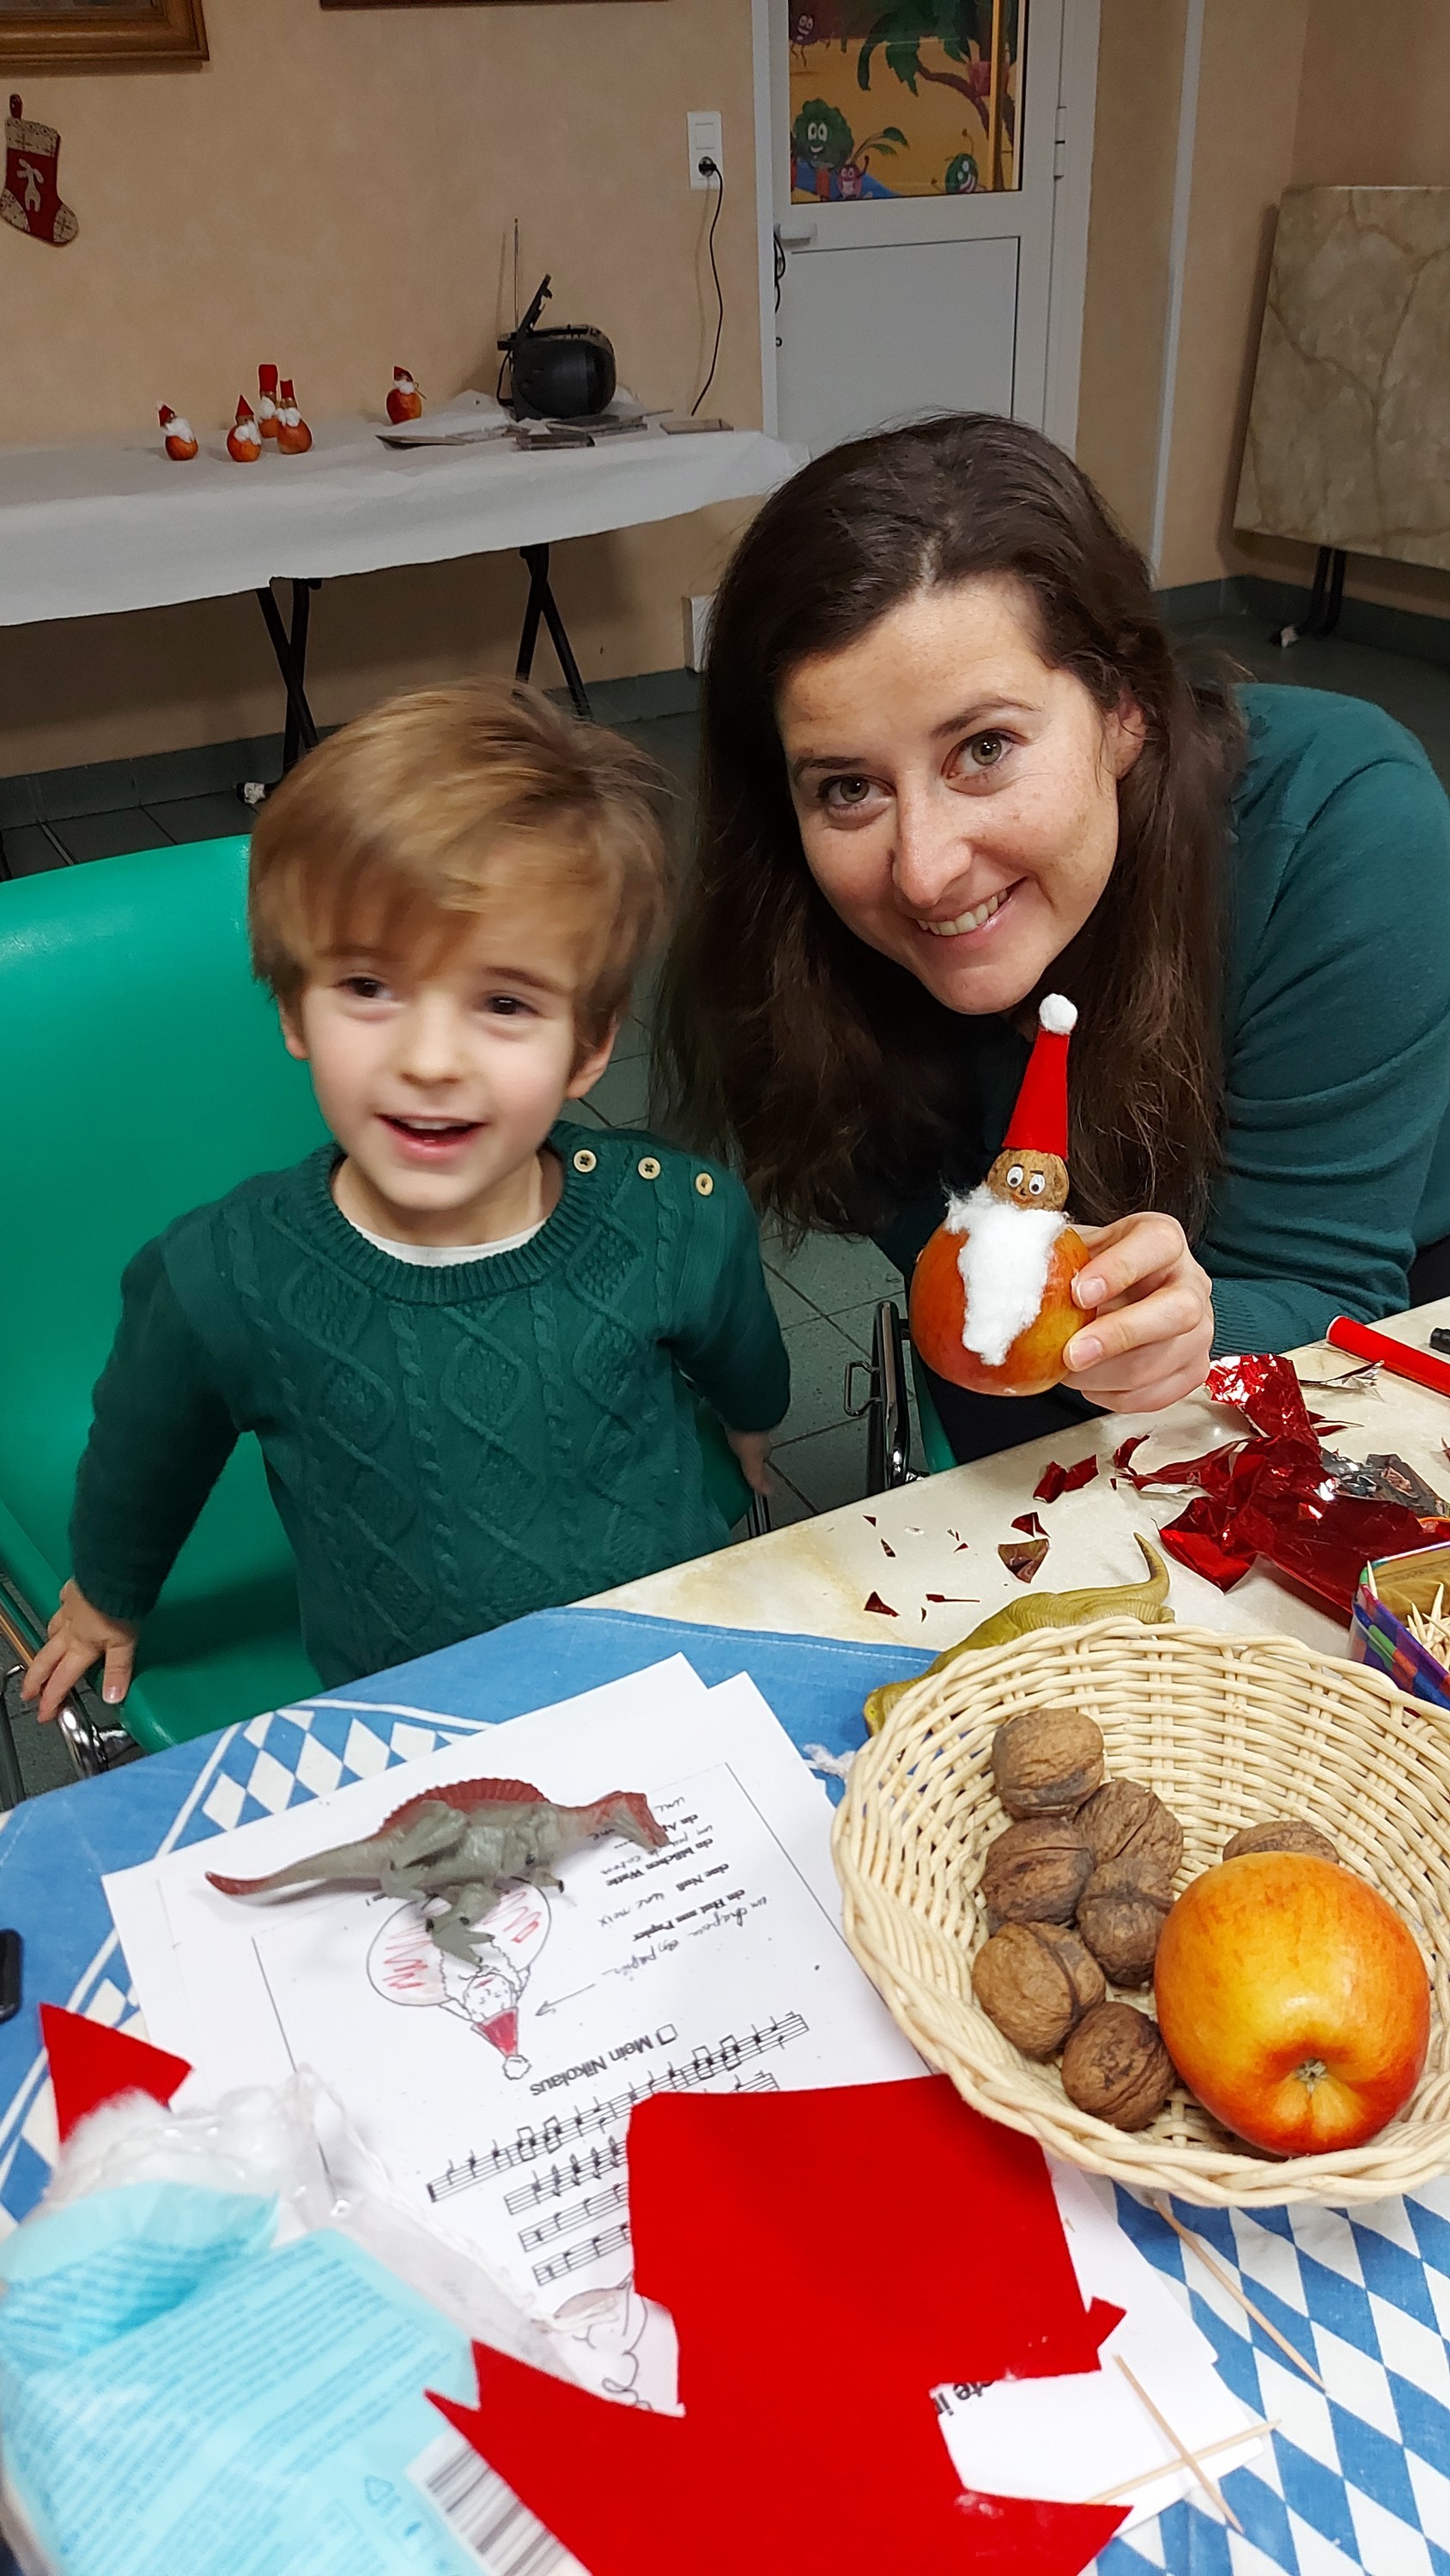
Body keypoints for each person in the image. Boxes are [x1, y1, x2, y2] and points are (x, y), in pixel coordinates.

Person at [659, 413, 1450, 1463]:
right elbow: (894, 1198)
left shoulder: (1347, 830)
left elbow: (1330, 1295)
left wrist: (1187, 1331)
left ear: (1127, 707)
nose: (925, 870)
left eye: (984, 748)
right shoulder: (795, 911)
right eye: (848, 787)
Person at [23, 681, 788, 1720]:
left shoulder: (674, 1212)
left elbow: (734, 1331)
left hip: (672, 1661)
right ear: (295, 1006)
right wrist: (108, 1595)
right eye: (371, 988)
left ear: (591, 1044)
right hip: (412, 1716)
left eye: (505, 1002)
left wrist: (754, 1420)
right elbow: (146, 1445)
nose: (431, 1060)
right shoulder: (224, 1277)